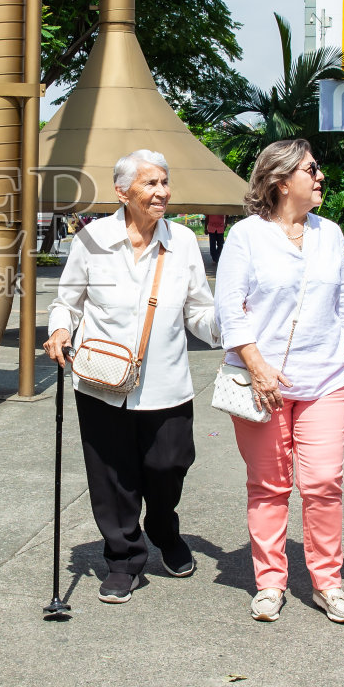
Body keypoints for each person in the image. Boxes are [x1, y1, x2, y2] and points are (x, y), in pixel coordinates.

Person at [44, 149, 218, 604]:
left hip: (167, 383)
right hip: (101, 382)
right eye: (150, 183)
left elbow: (199, 312)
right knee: (112, 477)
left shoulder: (183, 242)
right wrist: (60, 329)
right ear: (122, 192)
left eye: (165, 182)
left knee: (169, 465)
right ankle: (123, 559)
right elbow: (67, 302)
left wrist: (231, 324)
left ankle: (162, 527)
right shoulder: (91, 239)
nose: (162, 192)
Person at [215, 139, 344, 624]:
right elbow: (229, 309)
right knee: (269, 485)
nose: (320, 176)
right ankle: (270, 583)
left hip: (326, 379)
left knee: (323, 482)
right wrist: (257, 366)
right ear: (282, 182)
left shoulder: (330, 234)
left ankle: (327, 582)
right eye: (311, 169)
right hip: (263, 383)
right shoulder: (246, 236)